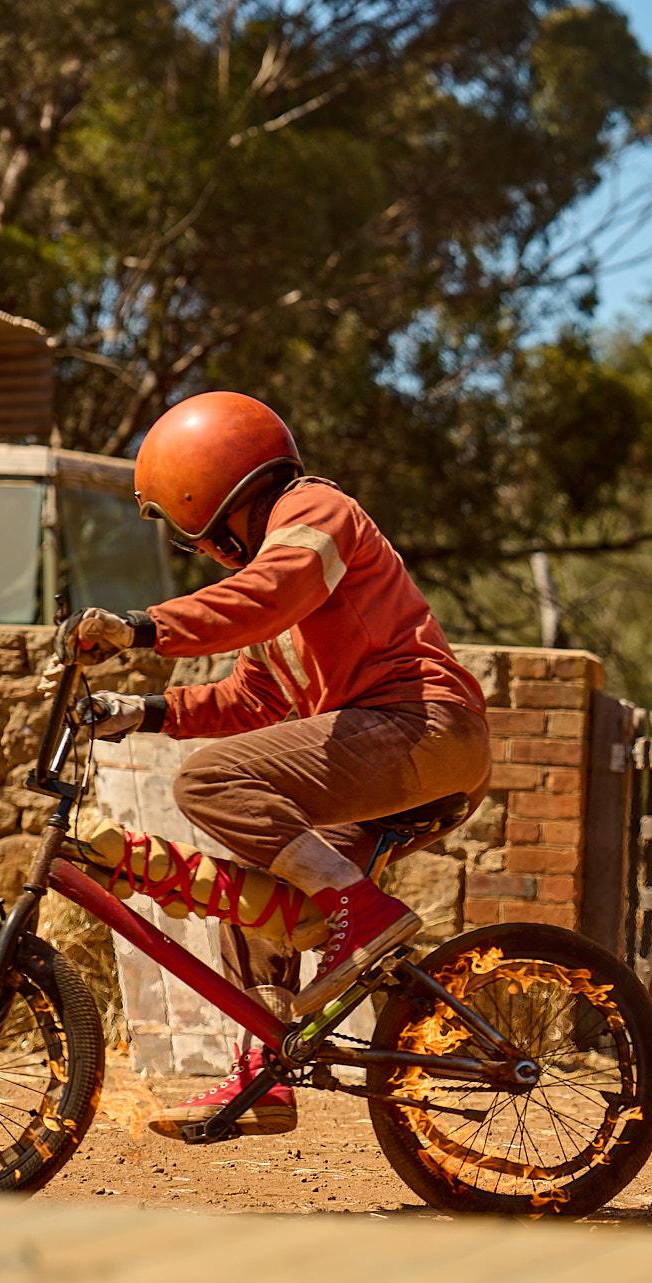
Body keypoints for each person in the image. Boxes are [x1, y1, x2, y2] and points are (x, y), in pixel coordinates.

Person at [58, 391, 490, 1139]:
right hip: (391, 747)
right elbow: (253, 697)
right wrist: (142, 712)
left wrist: (142, 627)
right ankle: (264, 1071)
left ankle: (369, 913)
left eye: (193, 531)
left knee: (209, 780)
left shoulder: (315, 513)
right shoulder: (280, 575)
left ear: (207, 492)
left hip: (423, 726)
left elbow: (267, 593)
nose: (201, 548)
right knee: (260, 894)